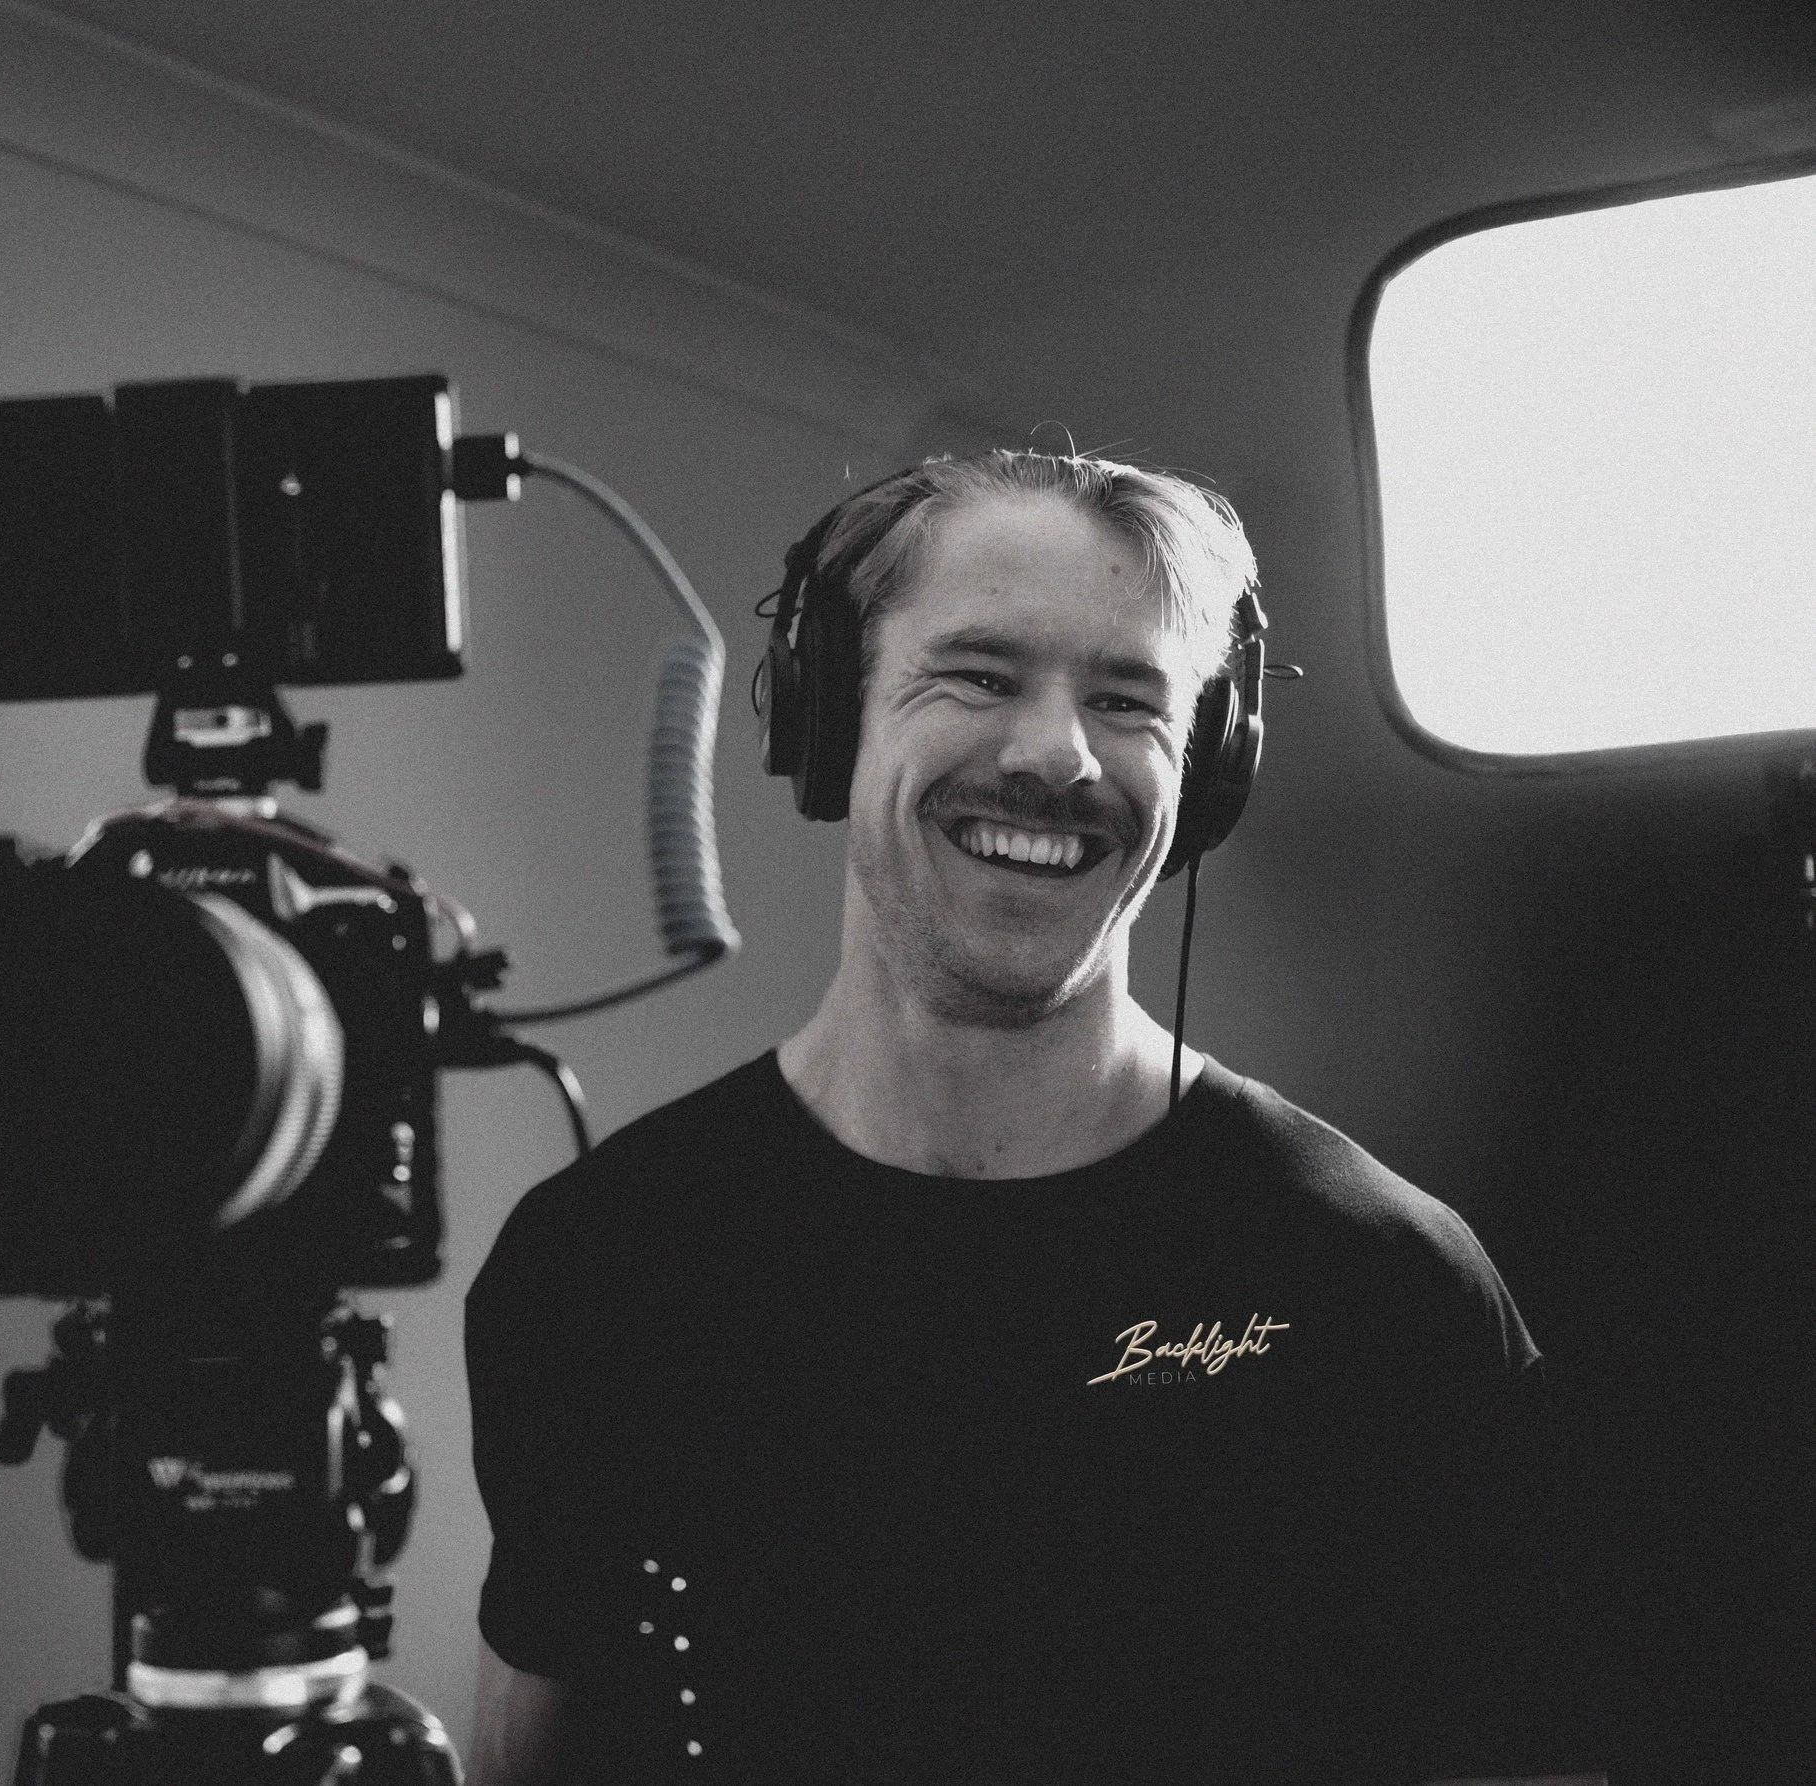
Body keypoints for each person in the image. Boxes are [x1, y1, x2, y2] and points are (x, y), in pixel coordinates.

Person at [464, 451, 1591, 1785]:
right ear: (827, 720)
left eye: (1128, 700)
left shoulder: (1384, 1282)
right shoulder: (602, 1261)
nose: (1058, 754)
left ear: (1206, 767)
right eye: (981, 676)